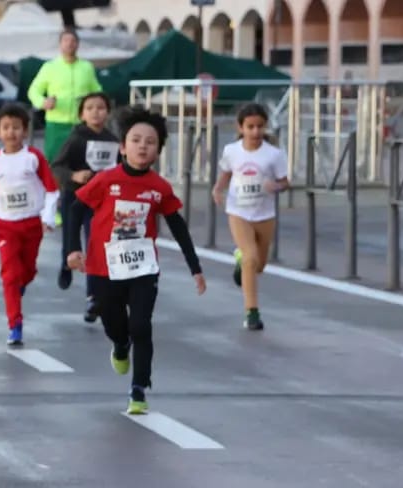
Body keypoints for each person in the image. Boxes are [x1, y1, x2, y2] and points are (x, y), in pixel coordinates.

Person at [69, 107, 206, 415]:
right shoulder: (106, 180)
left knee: (141, 325)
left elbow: (178, 226)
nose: (143, 146)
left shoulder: (158, 187)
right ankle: (119, 345)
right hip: (105, 268)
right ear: (123, 147)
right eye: (136, 140)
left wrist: (195, 268)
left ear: (158, 150)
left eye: (150, 142)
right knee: (114, 323)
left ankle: (139, 388)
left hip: (143, 268)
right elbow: (77, 210)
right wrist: (72, 249)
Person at [0, 103, 59, 346]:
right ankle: (15, 324)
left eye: (16, 127)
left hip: (31, 223)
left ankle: (21, 285)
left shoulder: (33, 157)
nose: (11, 132)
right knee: (10, 275)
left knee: (28, 271)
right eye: (6, 127)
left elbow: (52, 189)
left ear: (25, 130)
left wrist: (48, 218)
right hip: (6, 225)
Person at [211, 103, 289, 331]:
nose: (255, 132)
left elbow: (285, 182)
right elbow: (226, 173)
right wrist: (217, 189)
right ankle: (252, 312)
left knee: (260, 265)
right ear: (241, 127)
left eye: (260, 127)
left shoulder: (274, 155)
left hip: (265, 215)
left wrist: (275, 185)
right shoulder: (232, 151)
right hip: (238, 212)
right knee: (251, 257)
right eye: (250, 127)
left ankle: (240, 260)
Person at [52, 91, 119, 296]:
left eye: (100, 108)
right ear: (82, 114)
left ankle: (93, 295)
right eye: (90, 108)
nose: (95, 112)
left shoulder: (113, 140)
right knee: (71, 239)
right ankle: (66, 264)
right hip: (74, 197)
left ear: (107, 112)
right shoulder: (76, 139)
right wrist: (74, 175)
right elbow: (57, 167)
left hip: (98, 201)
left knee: (95, 244)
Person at [26, 29, 102, 164]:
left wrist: (95, 108)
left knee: (82, 160)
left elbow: (97, 91)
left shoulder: (86, 67)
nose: (69, 44)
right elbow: (34, 91)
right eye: (66, 41)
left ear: (78, 44)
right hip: (56, 124)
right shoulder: (50, 67)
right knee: (55, 160)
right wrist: (43, 102)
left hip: (82, 123)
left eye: (73, 41)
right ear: (60, 44)